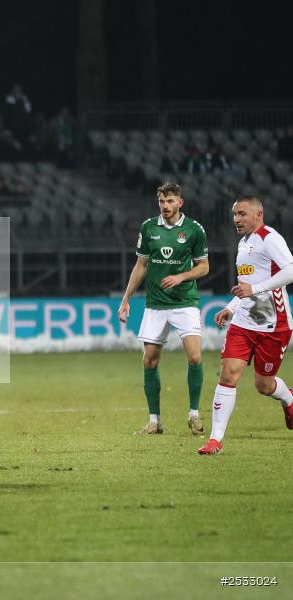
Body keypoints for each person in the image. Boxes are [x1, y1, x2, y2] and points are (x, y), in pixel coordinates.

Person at [199, 196, 293, 455]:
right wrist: (230, 308)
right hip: (243, 324)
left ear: (258, 214)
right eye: (234, 215)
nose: (236, 220)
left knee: (264, 385)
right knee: (228, 374)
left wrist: (256, 288)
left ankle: (289, 399)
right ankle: (215, 440)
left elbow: (291, 270)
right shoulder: (243, 244)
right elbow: (246, 285)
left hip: (274, 325)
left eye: (241, 214)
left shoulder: (269, 237)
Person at [119, 182, 210, 436]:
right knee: (149, 361)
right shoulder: (149, 228)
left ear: (180, 202)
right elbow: (141, 265)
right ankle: (154, 421)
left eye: (170, 201)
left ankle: (193, 414)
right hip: (156, 304)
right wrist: (126, 299)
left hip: (184, 302)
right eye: (162, 201)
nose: (165, 206)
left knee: (194, 357)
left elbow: (204, 266)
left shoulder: (194, 230)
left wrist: (182, 277)